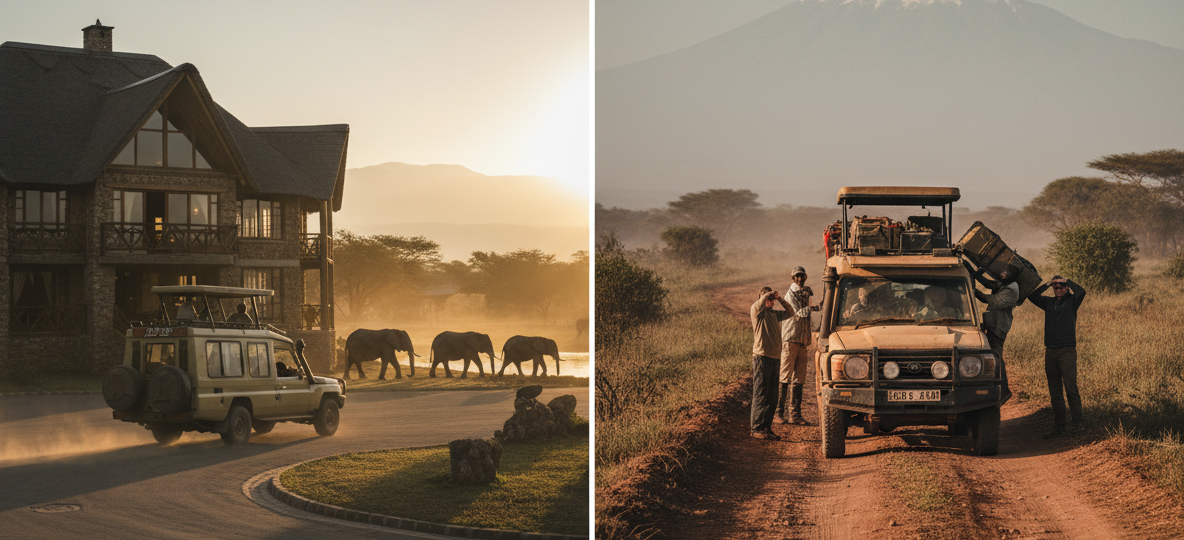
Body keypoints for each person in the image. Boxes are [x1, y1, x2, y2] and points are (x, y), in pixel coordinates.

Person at [1027, 275, 1087, 437]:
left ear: (1067, 288)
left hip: (1067, 351)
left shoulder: (1072, 302)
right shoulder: (1049, 303)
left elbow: (1081, 292)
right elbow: (1032, 296)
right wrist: (1047, 283)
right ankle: (1060, 426)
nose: (1058, 289)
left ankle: (1078, 424)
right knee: (1055, 393)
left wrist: (1069, 281)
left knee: (1071, 389)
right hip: (1050, 351)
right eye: (1056, 287)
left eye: (1061, 286)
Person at [751, 286, 793, 440]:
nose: (769, 301)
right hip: (761, 357)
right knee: (761, 394)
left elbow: (791, 312)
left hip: (775, 357)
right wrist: (768, 294)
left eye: (771, 299)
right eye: (767, 299)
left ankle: (766, 428)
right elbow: (760, 302)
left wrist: (779, 298)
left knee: (772, 396)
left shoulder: (774, 315)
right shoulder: (757, 312)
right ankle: (756, 428)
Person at [975, 263, 1022, 401]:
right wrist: (974, 272)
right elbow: (989, 284)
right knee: (993, 356)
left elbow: (988, 299)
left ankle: (1003, 390)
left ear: (1011, 276)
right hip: (993, 324)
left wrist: (973, 290)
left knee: (996, 357)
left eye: (1005, 274)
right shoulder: (1006, 284)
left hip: (998, 327)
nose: (1002, 275)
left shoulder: (1012, 290)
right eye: (1003, 272)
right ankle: (998, 389)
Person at [778, 266, 819, 425]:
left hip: (802, 340)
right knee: (784, 377)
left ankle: (794, 415)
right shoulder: (791, 294)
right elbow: (799, 313)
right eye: (797, 277)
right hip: (790, 338)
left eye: (801, 276)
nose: (799, 279)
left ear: (805, 277)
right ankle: (778, 413)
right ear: (793, 278)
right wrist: (817, 307)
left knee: (799, 379)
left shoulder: (805, 292)